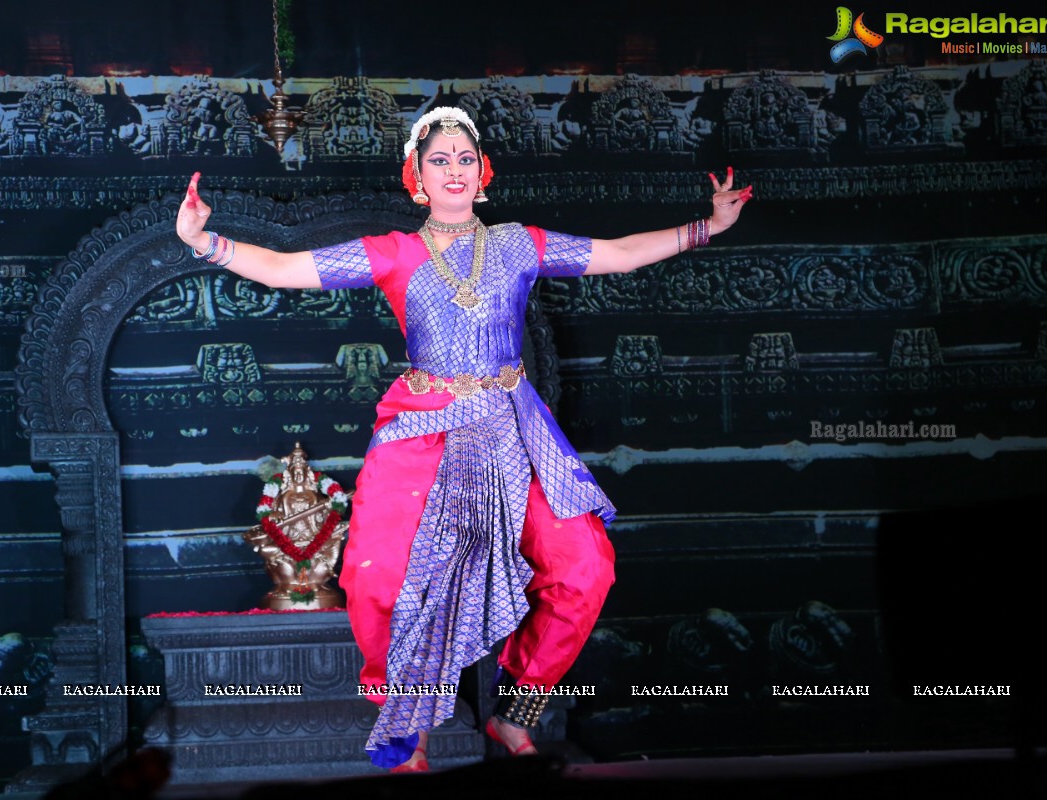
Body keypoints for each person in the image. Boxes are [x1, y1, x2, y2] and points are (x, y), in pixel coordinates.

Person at [175, 106, 752, 772]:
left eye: (464, 158)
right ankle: (409, 732)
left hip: (511, 428)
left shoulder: (519, 244)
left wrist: (708, 225)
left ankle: (519, 712)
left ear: (484, 174)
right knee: (381, 575)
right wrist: (203, 241)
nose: (453, 169)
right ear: (416, 178)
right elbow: (282, 270)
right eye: (438, 160)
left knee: (584, 565)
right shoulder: (395, 252)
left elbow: (619, 257)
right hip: (423, 430)